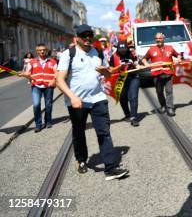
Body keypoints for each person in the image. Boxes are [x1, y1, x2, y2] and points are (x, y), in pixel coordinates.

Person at [55, 24, 129, 180]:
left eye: (90, 36)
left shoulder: (99, 53)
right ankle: (81, 160)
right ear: (77, 38)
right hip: (77, 101)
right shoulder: (69, 54)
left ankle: (110, 168)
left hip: (98, 98)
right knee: (79, 131)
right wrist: (73, 97)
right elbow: (59, 81)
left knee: (104, 132)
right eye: (84, 36)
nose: (88, 38)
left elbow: (108, 75)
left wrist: (106, 72)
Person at [19, 43, 56, 132]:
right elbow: (28, 73)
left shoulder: (52, 61)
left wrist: (54, 81)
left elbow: (56, 73)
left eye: (44, 50)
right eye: (40, 50)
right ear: (37, 51)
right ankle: (38, 124)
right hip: (36, 85)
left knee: (48, 104)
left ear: (46, 50)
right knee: (36, 105)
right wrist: (23, 74)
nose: (42, 51)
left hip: (48, 86)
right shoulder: (32, 62)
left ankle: (48, 121)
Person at [142, 33, 179, 116]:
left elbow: (178, 55)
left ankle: (170, 108)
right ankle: (163, 105)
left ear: (163, 39)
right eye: (156, 38)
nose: (158, 40)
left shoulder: (170, 48)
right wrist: (145, 63)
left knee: (169, 91)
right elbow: (144, 59)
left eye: (160, 38)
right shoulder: (151, 49)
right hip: (157, 74)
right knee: (159, 92)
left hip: (168, 73)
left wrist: (178, 59)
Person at [110, 41, 140, 126]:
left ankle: (134, 117)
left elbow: (136, 63)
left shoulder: (131, 54)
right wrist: (119, 67)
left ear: (127, 48)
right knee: (122, 97)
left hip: (133, 77)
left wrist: (138, 66)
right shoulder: (113, 56)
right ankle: (127, 114)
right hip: (120, 78)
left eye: (124, 49)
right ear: (118, 49)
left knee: (133, 97)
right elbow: (111, 70)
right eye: (121, 49)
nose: (122, 51)